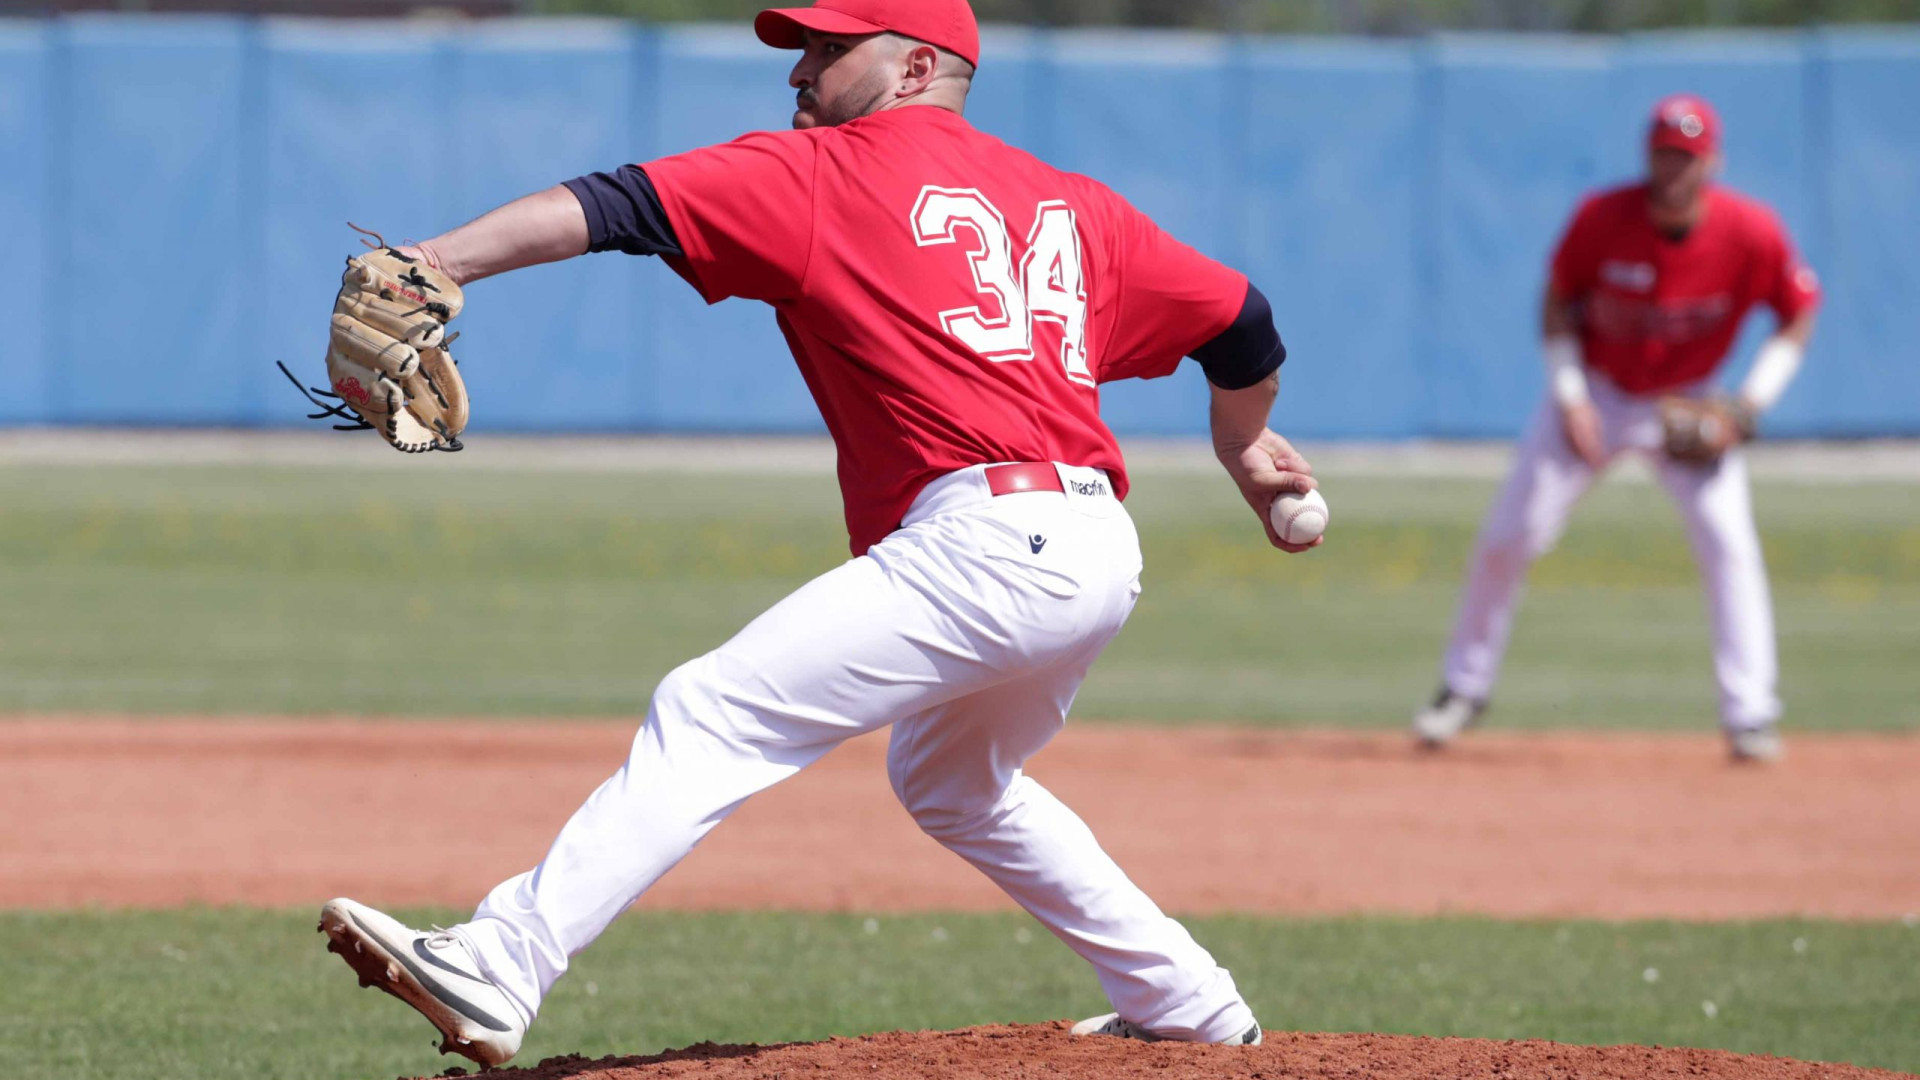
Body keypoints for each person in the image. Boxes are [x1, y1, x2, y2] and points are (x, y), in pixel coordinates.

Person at [316, 0, 1318, 1066]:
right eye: (804, 49)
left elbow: (616, 205)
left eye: (832, 49)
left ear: (917, 65)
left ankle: (502, 961)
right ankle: (1193, 1006)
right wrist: (1244, 447)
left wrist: (440, 259)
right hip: (1094, 547)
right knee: (952, 781)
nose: (802, 73)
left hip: (984, 544)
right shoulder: (1075, 205)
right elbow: (1243, 321)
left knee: (713, 707)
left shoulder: (833, 171)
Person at [1412, 94, 1819, 763]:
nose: (1674, 168)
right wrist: (1570, 397)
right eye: (1664, 153)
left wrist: (1745, 409)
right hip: (1598, 393)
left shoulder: (1751, 230)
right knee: (1507, 537)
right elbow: (1555, 303)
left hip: (1686, 404)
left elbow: (1798, 311)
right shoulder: (1602, 218)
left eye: (1687, 156)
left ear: (1710, 161)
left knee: (1730, 546)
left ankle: (1749, 714)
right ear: (1646, 155)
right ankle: (1463, 688)